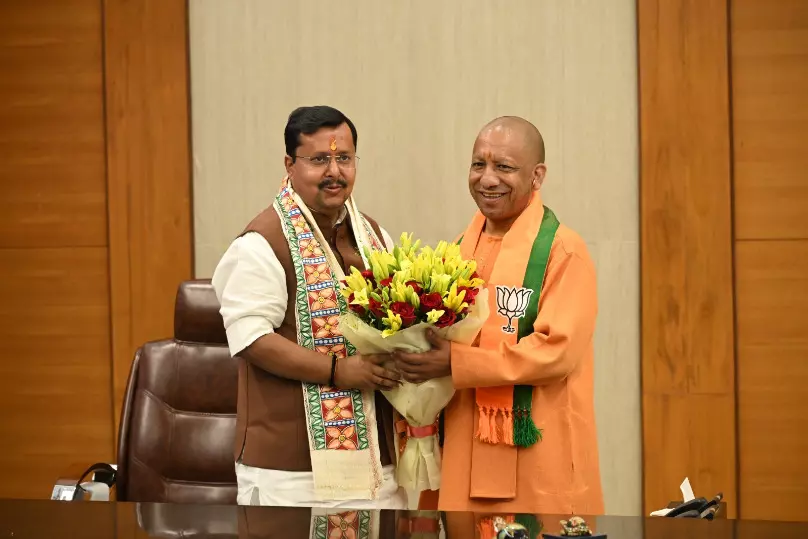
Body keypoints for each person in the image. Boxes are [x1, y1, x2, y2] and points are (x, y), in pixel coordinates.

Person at [395, 116, 604, 515]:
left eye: (504, 167)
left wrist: (455, 363)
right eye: (479, 164)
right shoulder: (458, 249)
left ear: (537, 175)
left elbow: (555, 353)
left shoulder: (563, 251)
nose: (487, 178)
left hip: (535, 453)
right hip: (461, 448)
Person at [211, 105, 407, 509]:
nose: (334, 171)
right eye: (319, 160)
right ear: (290, 164)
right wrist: (338, 370)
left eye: (344, 158)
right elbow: (251, 339)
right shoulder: (261, 242)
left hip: (377, 465)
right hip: (291, 474)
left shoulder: (373, 236)